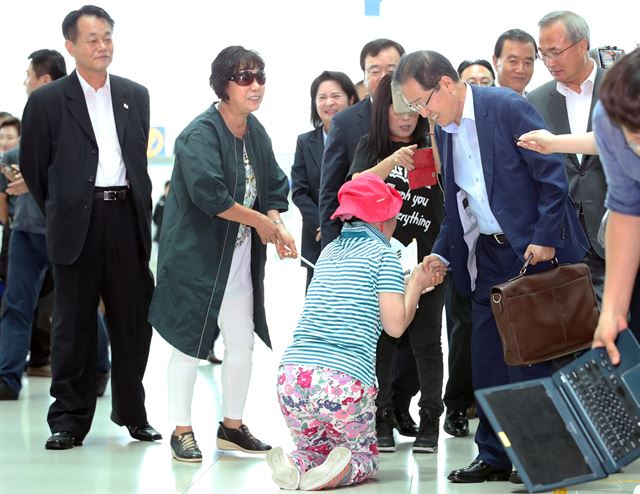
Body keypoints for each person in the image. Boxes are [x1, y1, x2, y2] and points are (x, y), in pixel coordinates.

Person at [394, 50, 588, 483]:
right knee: (487, 358)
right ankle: (495, 455)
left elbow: (552, 176)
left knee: (533, 361)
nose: (421, 113)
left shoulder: (505, 107)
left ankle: (533, 457)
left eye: (422, 102)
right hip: (490, 254)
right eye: (414, 107)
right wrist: (442, 253)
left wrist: (543, 237)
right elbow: (458, 204)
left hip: (535, 252)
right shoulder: (443, 130)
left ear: (446, 84)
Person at [20, 5, 160, 449]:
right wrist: (65, 208)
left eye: (107, 37)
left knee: (133, 323)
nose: (102, 46)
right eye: (92, 39)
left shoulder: (135, 94)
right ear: (71, 46)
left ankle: (132, 412)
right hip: (77, 222)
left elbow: (135, 160)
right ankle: (68, 419)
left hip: (125, 219)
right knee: (73, 327)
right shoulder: (46, 101)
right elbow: (35, 170)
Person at [149, 46, 297, 462]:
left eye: (260, 76)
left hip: (238, 258)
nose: (255, 86)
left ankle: (231, 426)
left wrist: (276, 223)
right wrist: (262, 223)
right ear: (223, 84)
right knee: (186, 344)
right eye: (244, 77)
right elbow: (211, 195)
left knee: (240, 344)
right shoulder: (199, 134)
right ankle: (181, 429)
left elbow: (273, 185)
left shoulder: (256, 131)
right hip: (195, 259)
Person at [267, 173, 443, 491]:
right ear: (381, 220)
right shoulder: (383, 257)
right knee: (364, 458)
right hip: (342, 381)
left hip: (292, 378)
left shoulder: (330, 252)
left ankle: (295, 463)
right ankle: (342, 466)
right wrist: (416, 283)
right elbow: (396, 324)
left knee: (314, 449)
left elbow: (359, 295)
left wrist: (409, 281)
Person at [318, 38, 421, 442]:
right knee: (374, 335)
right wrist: (335, 249)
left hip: (412, 237)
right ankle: (375, 412)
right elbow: (332, 192)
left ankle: (401, 404)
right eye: (376, 70)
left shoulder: (422, 118)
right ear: (364, 75)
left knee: (413, 337)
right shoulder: (348, 123)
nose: (385, 77)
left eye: (393, 68)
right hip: (363, 248)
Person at [518, 48, 640, 365]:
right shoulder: (612, 120)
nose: (634, 145)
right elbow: (626, 213)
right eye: (629, 135)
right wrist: (612, 310)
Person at [348, 74, 446, 453]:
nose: (406, 117)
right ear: (381, 110)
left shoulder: (432, 141)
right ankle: (382, 417)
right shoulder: (371, 146)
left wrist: (436, 134)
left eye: (413, 108)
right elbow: (355, 186)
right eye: (397, 108)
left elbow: (454, 181)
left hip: (430, 262)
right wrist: (391, 160)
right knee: (384, 343)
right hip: (383, 264)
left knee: (426, 342)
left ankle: (430, 421)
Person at [0, 49, 67, 401]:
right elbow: (17, 163)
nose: (24, 82)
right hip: (25, 231)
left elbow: (74, 169)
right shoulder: (32, 117)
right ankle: (7, 377)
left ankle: (100, 368)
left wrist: (36, 178)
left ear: (43, 79)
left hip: (61, 229)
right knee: (16, 303)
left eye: (28, 75)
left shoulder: (73, 117)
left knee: (75, 304)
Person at [527, 10, 607, 302]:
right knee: (575, 328)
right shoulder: (536, 99)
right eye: (543, 54)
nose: (549, 62)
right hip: (567, 234)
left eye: (556, 52)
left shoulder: (621, 87)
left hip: (620, 224)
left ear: (582, 45)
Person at [291, 71, 358, 290]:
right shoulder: (305, 142)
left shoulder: (364, 138)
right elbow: (299, 191)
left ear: (351, 99)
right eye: (322, 97)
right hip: (317, 238)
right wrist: (321, 224)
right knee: (321, 309)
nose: (329, 103)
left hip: (359, 236)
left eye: (336, 96)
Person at [492, 29, 537, 95]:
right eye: (513, 61)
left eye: (527, 62)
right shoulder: (478, 101)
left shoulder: (537, 103)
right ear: (495, 62)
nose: (520, 70)